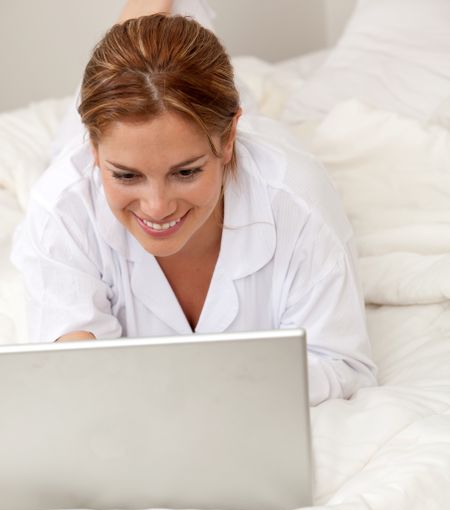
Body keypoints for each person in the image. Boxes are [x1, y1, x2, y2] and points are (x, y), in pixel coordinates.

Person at [12, 0, 377, 405]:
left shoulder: (296, 200)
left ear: (228, 140)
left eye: (185, 173)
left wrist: (205, 390)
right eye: (126, 175)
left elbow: (345, 366)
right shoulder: (61, 206)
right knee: (139, 74)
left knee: (168, 70)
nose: (156, 207)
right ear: (94, 152)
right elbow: (78, 371)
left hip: (242, 142)